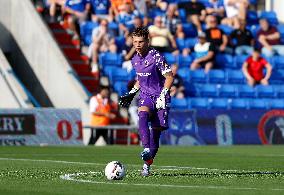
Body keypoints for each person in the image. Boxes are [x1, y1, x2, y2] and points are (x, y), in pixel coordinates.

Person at [119, 27, 174, 176]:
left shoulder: (156, 56)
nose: (137, 44)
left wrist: (164, 94)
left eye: (141, 41)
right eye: (135, 41)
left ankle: (146, 165)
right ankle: (146, 149)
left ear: (147, 41)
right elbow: (140, 79)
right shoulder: (134, 59)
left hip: (160, 97)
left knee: (155, 134)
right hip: (146, 96)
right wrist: (131, 93)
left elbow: (169, 76)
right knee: (142, 114)